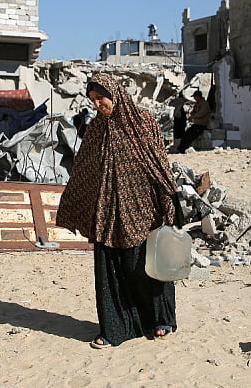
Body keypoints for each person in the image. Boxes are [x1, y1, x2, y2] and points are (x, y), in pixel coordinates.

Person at [56, 73, 180, 349]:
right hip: (108, 212)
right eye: (93, 100)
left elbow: (158, 162)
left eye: (101, 98)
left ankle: (160, 319)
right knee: (112, 270)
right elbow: (84, 170)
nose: (98, 104)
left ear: (116, 94)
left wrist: (168, 199)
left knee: (147, 267)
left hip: (143, 209)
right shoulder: (97, 130)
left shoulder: (143, 121)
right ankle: (115, 328)